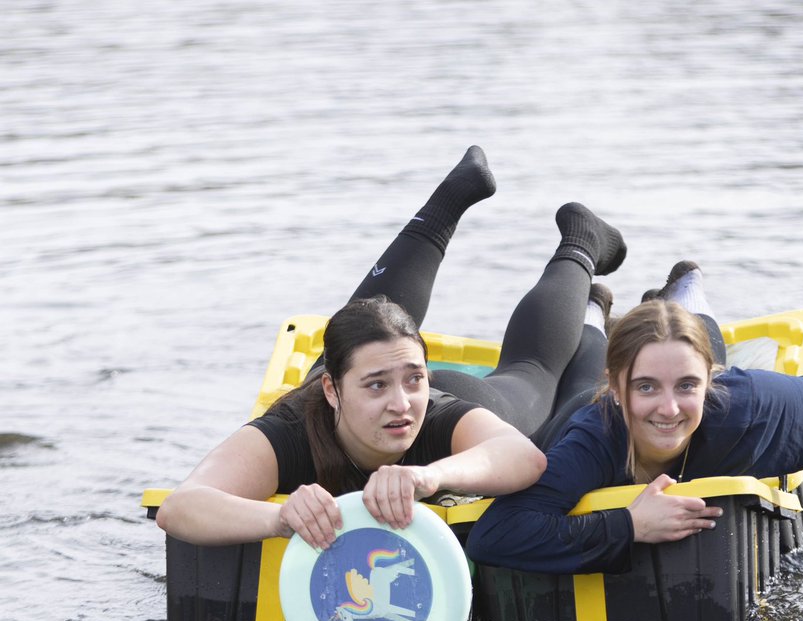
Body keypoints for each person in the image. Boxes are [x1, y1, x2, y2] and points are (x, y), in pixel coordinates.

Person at [156, 146, 625, 551]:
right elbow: (180, 508)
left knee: (534, 372)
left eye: (413, 379)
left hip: (466, 405)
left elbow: (525, 458)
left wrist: (431, 476)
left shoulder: (433, 414)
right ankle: (449, 203)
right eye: (378, 386)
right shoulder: (291, 432)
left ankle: (581, 240)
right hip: (331, 398)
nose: (400, 404)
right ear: (332, 390)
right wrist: (278, 518)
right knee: (365, 333)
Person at [466, 263, 803, 602]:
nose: (669, 409)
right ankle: (595, 307)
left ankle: (685, 287)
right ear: (618, 387)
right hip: (585, 404)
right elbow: (495, 535)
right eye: (645, 387)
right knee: (578, 374)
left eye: (687, 386)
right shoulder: (593, 437)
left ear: (709, 383)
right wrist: (629, 525)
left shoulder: (742, 412)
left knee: (680, 345)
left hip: (703, 379)